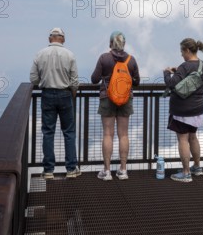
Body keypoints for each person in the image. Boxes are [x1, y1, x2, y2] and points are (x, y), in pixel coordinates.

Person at [30, 27, 81, 179]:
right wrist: (72, 92)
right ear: (63, 39)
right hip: (65, 95)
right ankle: (71, 169)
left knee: (48, 132)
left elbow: (33, 78)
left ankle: (48, 170)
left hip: (47, 95)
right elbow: (74, 81)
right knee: (69, 133)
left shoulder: (40, 54)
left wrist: (43, 83)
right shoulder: (70, 55)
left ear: (49, 38)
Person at [91, 31, 140, 181]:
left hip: (107, 98)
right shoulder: (131, 60)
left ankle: (107, 172)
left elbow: (94, 79)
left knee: (108, 134)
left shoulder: (104, 58)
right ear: (124, 44)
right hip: (125, 99)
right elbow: (136, 82)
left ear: (110, 43)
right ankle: (123, 170)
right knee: (123, 134)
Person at [163, 38, 203, 183]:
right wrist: (179, 72)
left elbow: (171, 84)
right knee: (193, 137)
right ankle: (197, 167)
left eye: (182, 51)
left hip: (182, 109)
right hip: (197, 107)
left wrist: (167, 73)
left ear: (187, 50)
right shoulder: (202, 65)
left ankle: (186, 172)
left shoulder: (184, 66)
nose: (181, 54)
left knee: (183, 138)